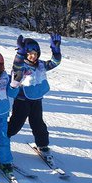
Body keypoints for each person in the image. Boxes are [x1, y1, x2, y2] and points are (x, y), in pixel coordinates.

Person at [7, 34, 62, 165]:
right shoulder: (22, 66)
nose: (33, 56)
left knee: (38, 124)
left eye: (36, 53)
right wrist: (19, 54)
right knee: (16, 124)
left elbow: (55, 62)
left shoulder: (41, 65)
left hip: (36, 99)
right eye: (30, 53)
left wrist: (56, 51)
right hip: (22, 100)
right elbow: (16, 67)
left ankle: (42, 145)